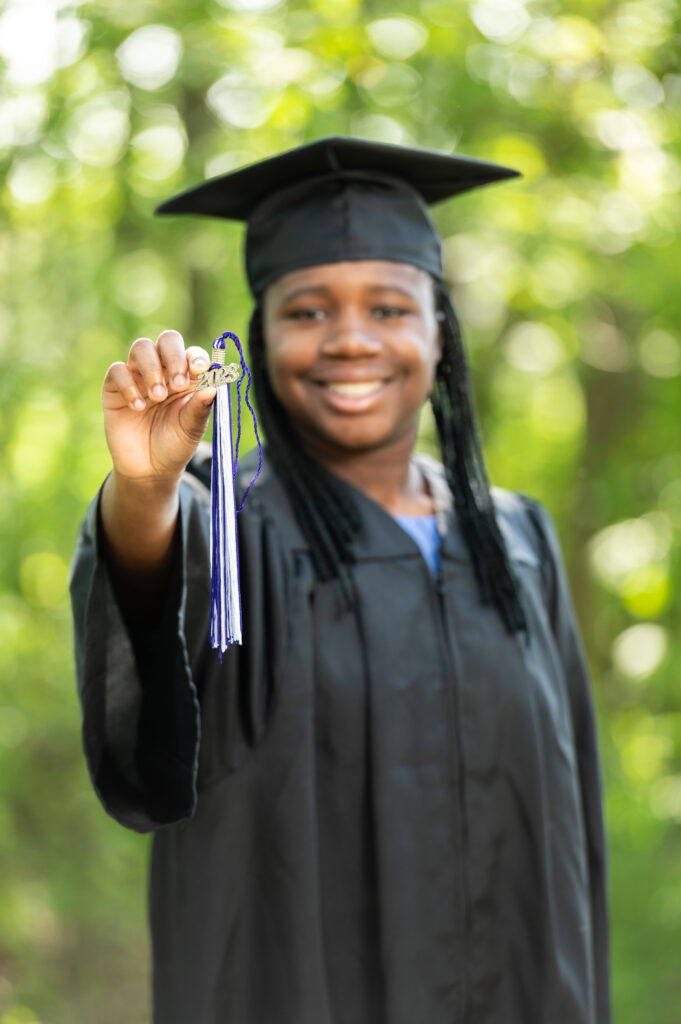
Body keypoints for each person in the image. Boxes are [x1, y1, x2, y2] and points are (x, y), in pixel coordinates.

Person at [69, 136, 611, 1024]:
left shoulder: (515, 542)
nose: (351, 340)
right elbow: (144, 620)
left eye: (391, 309)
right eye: (309, 311)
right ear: (262, 335)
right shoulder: (226, 531)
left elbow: (572, 837)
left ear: (440, 331)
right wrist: (143, 488)